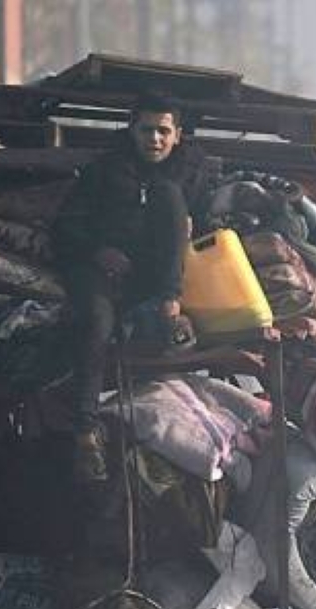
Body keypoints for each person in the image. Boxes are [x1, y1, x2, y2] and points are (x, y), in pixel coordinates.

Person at [53, 92, 210, 483]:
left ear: (177, 135)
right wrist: (99, 251)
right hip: (98, 272)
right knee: (96, 324)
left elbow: (200, 225)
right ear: (131, 129)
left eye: (163, 131)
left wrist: (170, 291)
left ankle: (170, 309)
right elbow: (66, 226)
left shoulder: (188, 174)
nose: (154, 139)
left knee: (170, 199)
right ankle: (85, 430)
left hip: (152, 280)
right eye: (146, 130)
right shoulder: (103, 170)